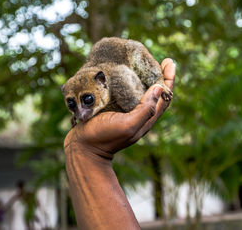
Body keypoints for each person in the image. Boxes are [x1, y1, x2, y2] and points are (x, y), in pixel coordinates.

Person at [64, 58, 175, 229]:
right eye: (72, 105)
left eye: (87, 100)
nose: (80, 114)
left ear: (102, 83)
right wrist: (82, 147)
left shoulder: (114, 78)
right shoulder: (90, 85)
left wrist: (83, 149)